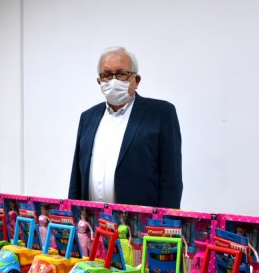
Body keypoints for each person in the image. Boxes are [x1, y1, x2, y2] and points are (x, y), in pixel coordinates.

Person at [68, 46, 183, 209]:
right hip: (91, 219)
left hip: (140, 221)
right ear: (99, 82)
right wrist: (71, 214)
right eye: (107, 75)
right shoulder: (88, 117)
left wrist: (166, 221)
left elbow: (171, 180)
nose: (113, 81)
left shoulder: (161, 114)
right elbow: (77, 177)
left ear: (136, 80)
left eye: (122, 74)